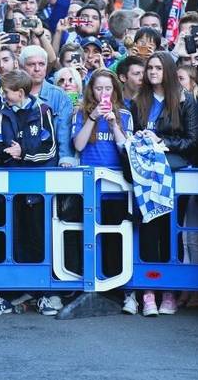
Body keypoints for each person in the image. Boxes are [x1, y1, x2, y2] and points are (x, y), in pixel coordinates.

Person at [129, 51, 198, 316]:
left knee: (172, 231)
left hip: (173, 173)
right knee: (148, 230)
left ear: (168, 70)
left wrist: (163, 143)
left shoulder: (184, 100)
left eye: (158, 68)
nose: (153, 72)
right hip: (146, 174)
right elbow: (132, 135)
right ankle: (147, 293)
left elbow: (192, 141)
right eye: (150, 68)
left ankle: (169, 291)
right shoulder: (138, 100)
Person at [0, 69, 58, 316]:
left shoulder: (43, 111)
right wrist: (7, 154)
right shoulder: (2, 112)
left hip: (36, 190)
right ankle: (9, 293)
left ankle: (43, 293)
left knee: (37, 238)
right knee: (11, 239)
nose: (3, 96)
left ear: (19, 93)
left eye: (6, 92)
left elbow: (50, 150)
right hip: (9, 189)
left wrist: (25, 155)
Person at [71, 69, 134, 311]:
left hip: (116, 185)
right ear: (92, 90)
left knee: (114, 237)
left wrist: (114, 125)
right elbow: (78, 144)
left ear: (115, 91)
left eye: (108, 89)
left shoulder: (125, 113)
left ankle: (116, 287)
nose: (104, 93)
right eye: (99, 88)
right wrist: (93, 118)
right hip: (89, 185)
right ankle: (88, 282)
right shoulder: (82, 113)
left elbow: (126, 150)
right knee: (87, 236)